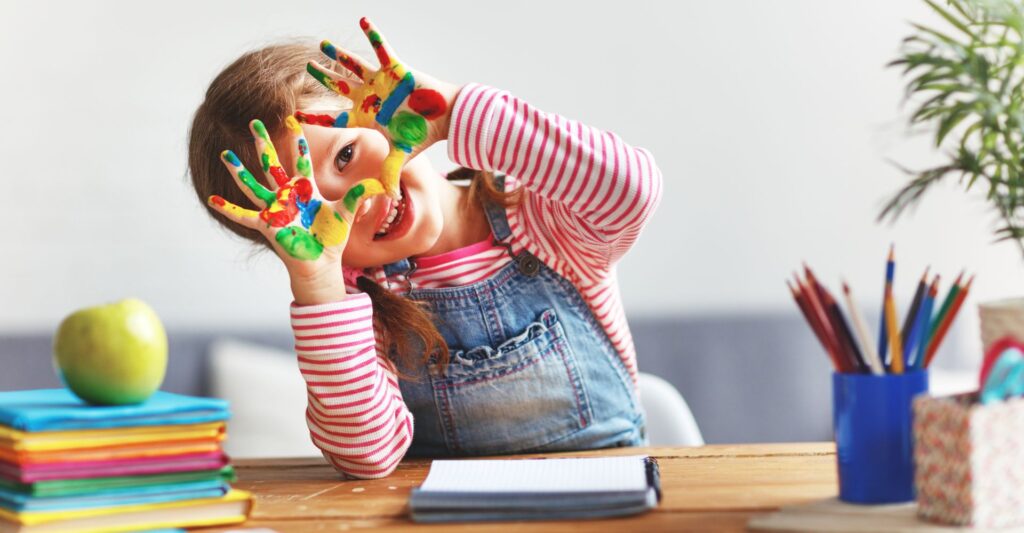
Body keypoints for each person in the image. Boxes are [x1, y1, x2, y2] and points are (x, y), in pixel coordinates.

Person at [188, 18, 663, 479]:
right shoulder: (357, 303)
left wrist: (452, 111)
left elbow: (630, 191)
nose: (358, 199)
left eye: (345, 155)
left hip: (610, 492)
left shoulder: (541, 218)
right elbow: (366, 457)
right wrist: (319, 284)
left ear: (386, 113)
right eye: (310, 210)